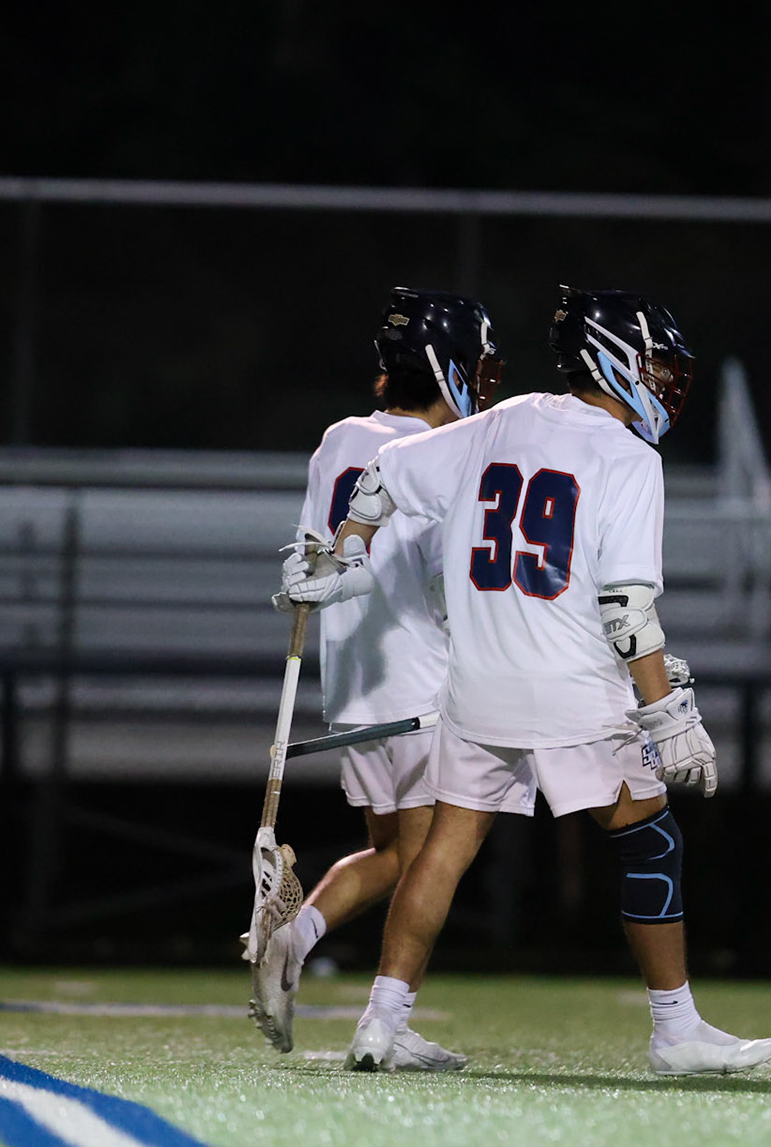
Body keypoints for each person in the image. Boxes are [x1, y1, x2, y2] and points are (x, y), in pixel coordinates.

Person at [287, 287, 771, 1076]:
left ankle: (381, 1021)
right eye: (653, 363)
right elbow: (625, 609)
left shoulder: (505, 417)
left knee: (443, 850)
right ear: (611, 360)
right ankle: (676, 1030)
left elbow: (381, 476)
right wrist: (664, 712)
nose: (662, 380)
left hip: (478, 684)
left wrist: (345, 552)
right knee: (649, 836)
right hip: (572, 686)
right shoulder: (627, 457)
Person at [254, 287, 502, 1069]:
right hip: (425, 680)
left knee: (395, 853)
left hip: (355, 679)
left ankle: (293, 938)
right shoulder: (450, 453)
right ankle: (385, 1023)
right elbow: (449, 580)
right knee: (436, 860)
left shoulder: (339, 438)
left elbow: (312, 553)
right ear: (451, 367)